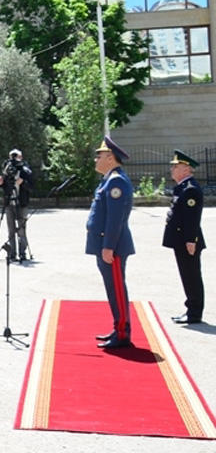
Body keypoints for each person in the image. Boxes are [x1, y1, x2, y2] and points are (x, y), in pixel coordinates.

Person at [87, 136, 135, 350]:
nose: (96, 160)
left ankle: (123, 334)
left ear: (109, 157)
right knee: (112, 289)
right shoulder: (109, 179)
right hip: (106, 245)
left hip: (111, 247)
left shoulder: (116, 181)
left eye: (99, 156)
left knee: (117, 288)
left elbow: (115, 219)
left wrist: (108, 246)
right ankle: (118, 328)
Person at [164, 150, 205, 325]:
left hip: (187, 242)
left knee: (192, 276)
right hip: (181, 240)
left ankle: (194, 313)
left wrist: (190, 240)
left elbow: (192, 219)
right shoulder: (182, 187)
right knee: (187, 276)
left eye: (176, 167)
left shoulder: (190, 190)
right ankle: (191, 309)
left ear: (186, 169)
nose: (172, 170)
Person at [0, 148, 33, 263]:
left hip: (22, 203)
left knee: (21, 229)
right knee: (11, 230)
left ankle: (23, 253)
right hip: (9, 203)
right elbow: (4, 186)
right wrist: (0, 183)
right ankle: (12, 254)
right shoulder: (7, 170)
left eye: (16, 156)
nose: (13, 159)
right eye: (12, 156)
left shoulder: (25, 171)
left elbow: (31, 187)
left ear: (21, 157)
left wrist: (23, 183)